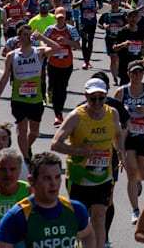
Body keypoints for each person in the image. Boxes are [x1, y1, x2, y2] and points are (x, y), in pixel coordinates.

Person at [50, 77, 125, 248]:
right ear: (85, 96)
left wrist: (121, 152)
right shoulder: (76, 116)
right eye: (93, 99)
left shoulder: (112, 113)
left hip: (103, 176)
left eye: (101, 98)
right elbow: (55, 144)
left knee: (99, 216)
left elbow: (118, 134)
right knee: (82, 220)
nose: (97, 103)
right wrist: (81, 151)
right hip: (79, 177)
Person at [0, 151, 94, 248]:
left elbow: (88, 234)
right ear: (31, 181)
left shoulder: (75, 210)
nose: (53, 183)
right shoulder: (17, 217)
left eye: (57, 177)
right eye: (47, 178)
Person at [0, 25, 65, 158]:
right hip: (19, 98)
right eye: (25, 34)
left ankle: (27, 146)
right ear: (19, 38)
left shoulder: (38, 52)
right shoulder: (11, 56)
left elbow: (57, 48)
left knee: (34, 132)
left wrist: (42, 37)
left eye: (30, 34)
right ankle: (26, 158)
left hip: (36, 99)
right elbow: (4, 78)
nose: (29, 37)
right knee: (22, 128)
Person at [114, 60, 144, 223]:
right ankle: (135, 210)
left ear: (143, 74)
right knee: (131, 173)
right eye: (133, 73)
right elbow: (112, 112)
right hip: (128, 137)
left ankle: (138, 183)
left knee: (142, 174)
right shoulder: (121, 92)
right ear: (128, 74)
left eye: (139, 72)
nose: (136, 76)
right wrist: (123, 115)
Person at [44, 7, 81, 125]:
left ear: (65, 18)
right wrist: (50, 46)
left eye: (62, 18)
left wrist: (66, 41)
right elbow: (42, 42)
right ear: (55, 17)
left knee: (63, 88)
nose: (60, 20)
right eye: (58, 17)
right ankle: (57, 114)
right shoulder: (50, 29)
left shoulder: (71, 29)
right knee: (55, 88)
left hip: (67, 64)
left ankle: (60, 109)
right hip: (53, 64)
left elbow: (78, 46)